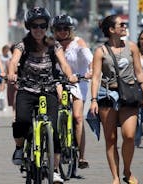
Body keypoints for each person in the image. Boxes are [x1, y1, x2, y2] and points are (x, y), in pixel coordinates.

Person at [7, 7, 78, 183]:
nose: (38, 29)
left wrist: (70, 75)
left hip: (49, 89)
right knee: (22, 121)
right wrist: (12, 73)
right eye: (34, 25)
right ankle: (19, 147)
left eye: (42, 25)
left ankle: (54, 170)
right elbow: (14, 61)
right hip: (27, 89)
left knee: (53, 129)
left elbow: (64, 63)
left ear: (47, 27)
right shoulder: (22, 45)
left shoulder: (54, 45)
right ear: (28, 27)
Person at [90, 14, 143, 184]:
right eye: (121, 24)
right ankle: (115, 177)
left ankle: (127, 170)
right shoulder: (100, 51)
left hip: (129, 94)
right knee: (111, 139)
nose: (124, 27)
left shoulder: (132, 47)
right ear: (111, 30)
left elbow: (139, 72)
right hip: (108, 95)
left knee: (129, 136)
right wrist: (93, 99)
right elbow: (95, 77)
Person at [51, 14, 92, 170]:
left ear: (70, 29)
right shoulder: (52, 44)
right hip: (59, 82)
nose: (62, 32)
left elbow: (90, 59)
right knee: (58, 106)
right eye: (58, 29)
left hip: (78, 82)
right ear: (54, 30)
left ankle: (81, 156)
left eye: (65, 28)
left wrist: (91, 71)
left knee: (77, 117)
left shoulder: (78, 42)